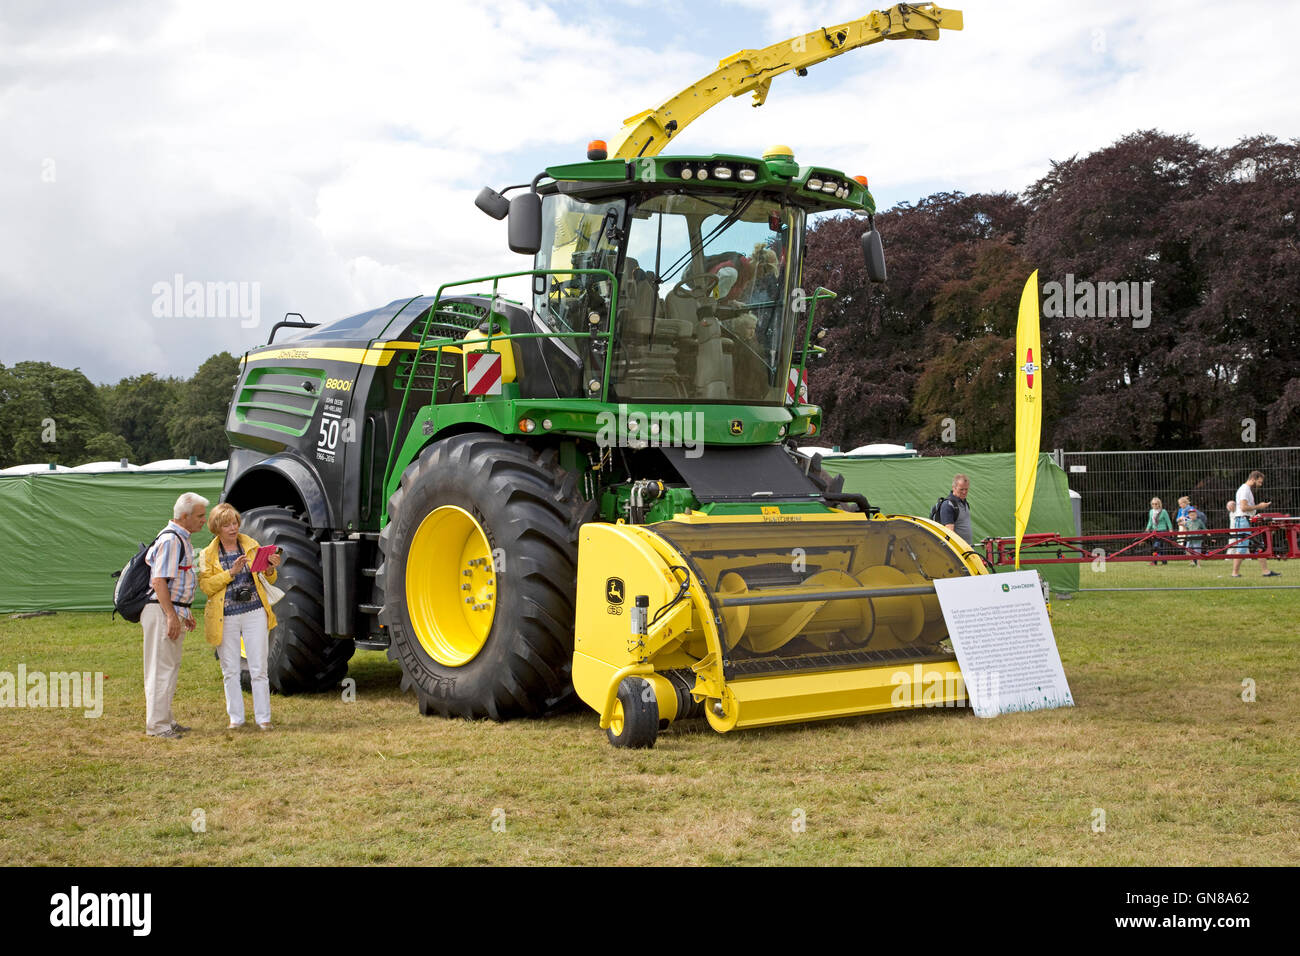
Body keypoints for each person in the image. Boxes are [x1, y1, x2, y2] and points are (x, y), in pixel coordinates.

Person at [198, 503, 282, 730]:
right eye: (227, 524)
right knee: (231, 670)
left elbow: (268, 581)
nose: (233, 528)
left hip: (255, 612)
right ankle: (236, 719)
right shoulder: (207, 554)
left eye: (234, 522)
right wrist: (230, 573)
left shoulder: (252, 545)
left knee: (259, 668)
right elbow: (205, 586)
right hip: (225, 617)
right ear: (216, 528)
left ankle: (263, 718)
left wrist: (271, 568)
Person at [142, 492, 207, 739]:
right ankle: (158, 726)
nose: (204, 520)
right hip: (161, 610)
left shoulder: (180, 538)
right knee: (161, 668)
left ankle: (165, 720)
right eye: (200, 516)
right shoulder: (172, 540)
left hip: (170, 609)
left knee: (169, 666)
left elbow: (175, 581)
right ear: (184, 516)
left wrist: (183, 611)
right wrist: (170, 615)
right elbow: (159, 581)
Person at [1231, 471, 1278, 578]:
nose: (1260, 484)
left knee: (1259, 545)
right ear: (1253, 479)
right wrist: (1259, 506)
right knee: (1242, 548)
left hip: (1246, 520)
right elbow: (1243, 507)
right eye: (1259, 482)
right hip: (1243, 521)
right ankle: (1234, 573)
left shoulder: (1247, 490)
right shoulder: (1244, 490)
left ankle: (1265, 571)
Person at [938, 474, 972, 543]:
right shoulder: (948, 505)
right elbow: (950, 534)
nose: (964, 492)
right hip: (957, 551)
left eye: (966, 489)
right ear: (954, 488)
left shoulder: (965, 503)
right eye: (961, 489)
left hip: (967, 548)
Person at [1146, 497, 1172, 564]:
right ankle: (1155, 561)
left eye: (1156, 504)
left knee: (1162, 547)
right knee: (1155, 547)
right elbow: (1150, 521)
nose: (1154, 505)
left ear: (1159, 504)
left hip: (1162, 531)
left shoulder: (1163, 511)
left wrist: (1171, 530)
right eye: (1153, 504)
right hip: (1154, 532)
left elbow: (1168, 521)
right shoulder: (1151, 511)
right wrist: (1147, 529)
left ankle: (1163, 561)